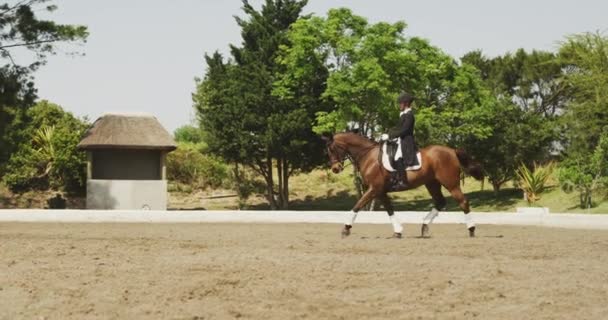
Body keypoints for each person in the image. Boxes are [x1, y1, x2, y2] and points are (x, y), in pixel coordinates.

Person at [381, 92, 419, 189]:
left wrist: (390, 136)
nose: (399, 105)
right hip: (400, 140)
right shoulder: (403, 115)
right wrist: (388, 133)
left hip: (406, 141)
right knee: (390, 153)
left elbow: (405, 130)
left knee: (397, 157)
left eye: (400, 103)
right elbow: (398, 128)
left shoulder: (409, 115)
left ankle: (404, 181)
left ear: (405, 104)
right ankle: (394, 177)